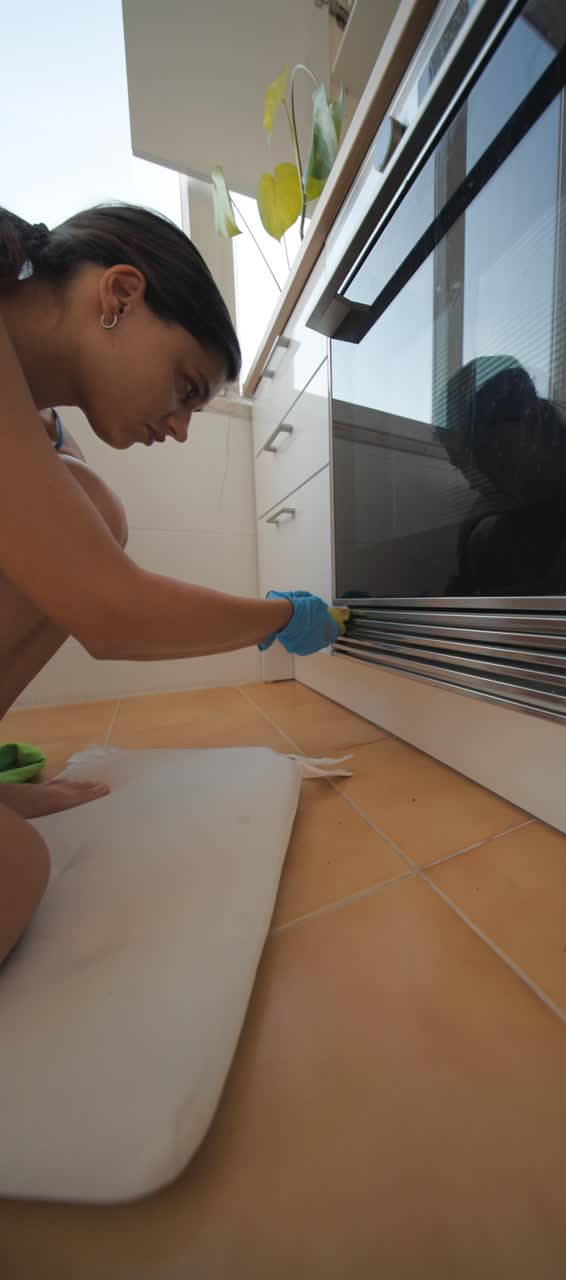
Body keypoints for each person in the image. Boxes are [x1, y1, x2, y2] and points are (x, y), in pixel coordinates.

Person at [0, 203, 342, 964]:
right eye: (187, 387)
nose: (182, 426)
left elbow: (85, 564)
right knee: (16, 872)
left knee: (91, 508)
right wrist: (279, 613)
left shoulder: (39, 418)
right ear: (119, 295)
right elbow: (111, 611)